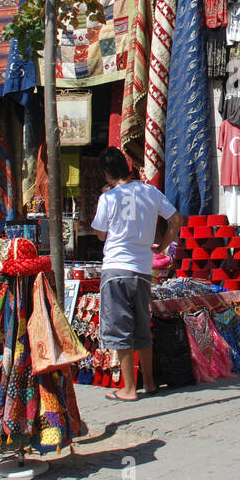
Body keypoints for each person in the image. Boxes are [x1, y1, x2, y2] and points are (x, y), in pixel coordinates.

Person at [90, 146, 183, 401]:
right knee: (142, 326)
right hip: (142, 269)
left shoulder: (108, 198)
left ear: (107, 173)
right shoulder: (150, 192)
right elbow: (176, 220)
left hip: (116, 269)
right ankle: (150, 382)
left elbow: (100, 234)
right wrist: (162, 246)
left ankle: (129, 389)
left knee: (120, 329)